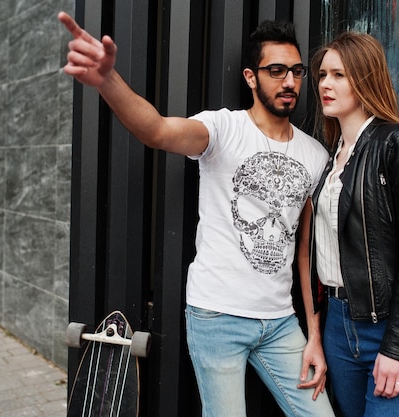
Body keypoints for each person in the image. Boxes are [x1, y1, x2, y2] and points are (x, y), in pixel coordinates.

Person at [58, 12, 336, 417]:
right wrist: (107, 80)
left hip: (280, 322)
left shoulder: (315, 156)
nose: (290, 82)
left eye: (296, 71)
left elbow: (306, 254)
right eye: (276, 71)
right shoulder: (222, 129)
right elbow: (155, 130)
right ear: (250, 76)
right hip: (217, 315)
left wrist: (313, 334)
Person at [297, 32, 399, 417]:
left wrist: (397, 348)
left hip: (393, 328)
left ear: (365, 79)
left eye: (339, 75)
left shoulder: (398, 142)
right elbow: (320, 255)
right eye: (323, 74)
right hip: (339, 332)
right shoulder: (332, 160)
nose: (325, 84)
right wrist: (316, 335)